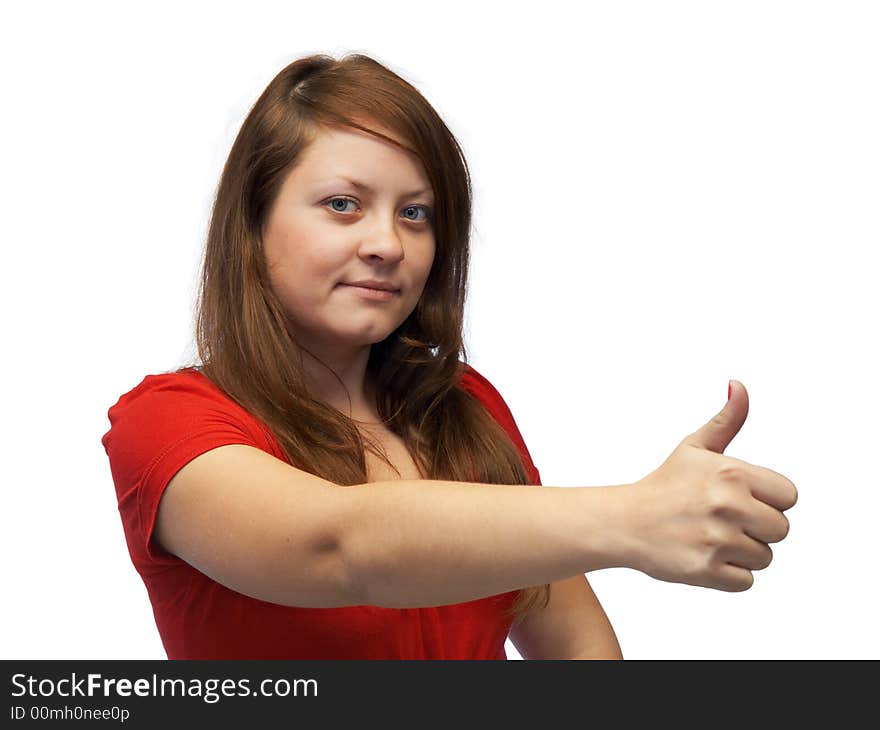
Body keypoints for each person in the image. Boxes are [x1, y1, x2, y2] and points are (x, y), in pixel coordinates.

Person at [101, 53, 797, 660]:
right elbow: (340, 547)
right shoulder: (167, 425)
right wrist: (632, 519)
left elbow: (577, 643)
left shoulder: (462, 408)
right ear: (252, 226)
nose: (388, 244)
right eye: (344, 204)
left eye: (416, 213)